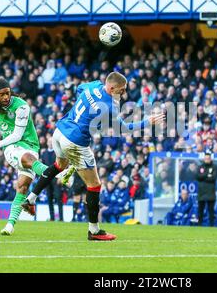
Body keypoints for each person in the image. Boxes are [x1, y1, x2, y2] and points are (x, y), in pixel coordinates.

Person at [22, 72, 164, 240]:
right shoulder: (110, 106)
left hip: (60, 131)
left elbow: (79, 89)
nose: (123, 93)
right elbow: (124, 128)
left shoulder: (94, 85)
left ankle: (30, 198)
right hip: (75, 141)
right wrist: (148, 122)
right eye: (122, 90)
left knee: (59, 166)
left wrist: (85, 112)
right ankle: (94, 231)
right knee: (94, 184)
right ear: (112, 88)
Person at [0, 78, 66, 235]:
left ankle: (10, 225)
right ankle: (63, 173)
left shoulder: (22, 107)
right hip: (11, 147)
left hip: (30, 144)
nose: (6, 97)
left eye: (8, 93)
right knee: (28, 160)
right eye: (2, 94)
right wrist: (1, 144)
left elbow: (17, 134)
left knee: (23, 186)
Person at [196, 152, 217, 227]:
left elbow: (213, 178)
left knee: (211, 210)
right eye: (206, 158)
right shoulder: (200, 167)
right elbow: (197, 177)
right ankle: (199, 225)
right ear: (204, 159)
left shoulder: (214, 167)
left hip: (210, 192)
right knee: (200, 210)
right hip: (201, 192)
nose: (207, 160)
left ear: (211, 159)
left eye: (208, 158)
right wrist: (207, 174)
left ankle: (211, 225)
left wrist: (203, 176)